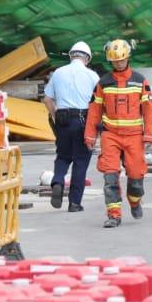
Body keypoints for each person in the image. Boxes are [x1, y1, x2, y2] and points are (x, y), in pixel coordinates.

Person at [84, 39, 152, 228]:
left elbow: (148, 109)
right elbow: (94, 110)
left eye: (122, 59)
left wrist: (149, 134)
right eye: (116, 61)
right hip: (111, 135)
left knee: (136, 180)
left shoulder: (140, 81)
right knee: (110, 177)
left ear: (128, 58)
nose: (119, 63)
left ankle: (134, 201)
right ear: (110, 61)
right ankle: (114, 215)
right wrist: (90, 135)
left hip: (134, 137)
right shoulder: (103, 83)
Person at [43, 41, 99, 211]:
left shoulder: (58, 73)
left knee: (63, 156)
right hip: (83, 120)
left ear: (71, 55)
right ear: (87, 58)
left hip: (63, 120)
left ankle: (58, 181)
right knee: (81, 162)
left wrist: (55, 116)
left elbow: (47, 99)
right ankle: (74, 203)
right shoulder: (92, 76)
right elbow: (98, 103)